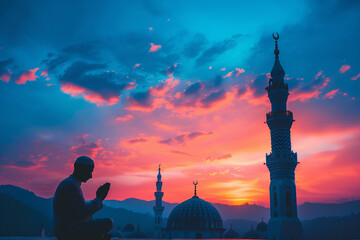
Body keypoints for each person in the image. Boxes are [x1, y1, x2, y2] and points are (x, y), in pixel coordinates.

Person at [53, 156, 113, 240]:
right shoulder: (71, 185)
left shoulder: (70, 183)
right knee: (108, 223)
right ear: (81, 169)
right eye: (90, 171)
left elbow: (79, 210)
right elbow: (82, 211)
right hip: (67, 231)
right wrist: (99, 198)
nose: (91, 176)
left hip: (66, 228)